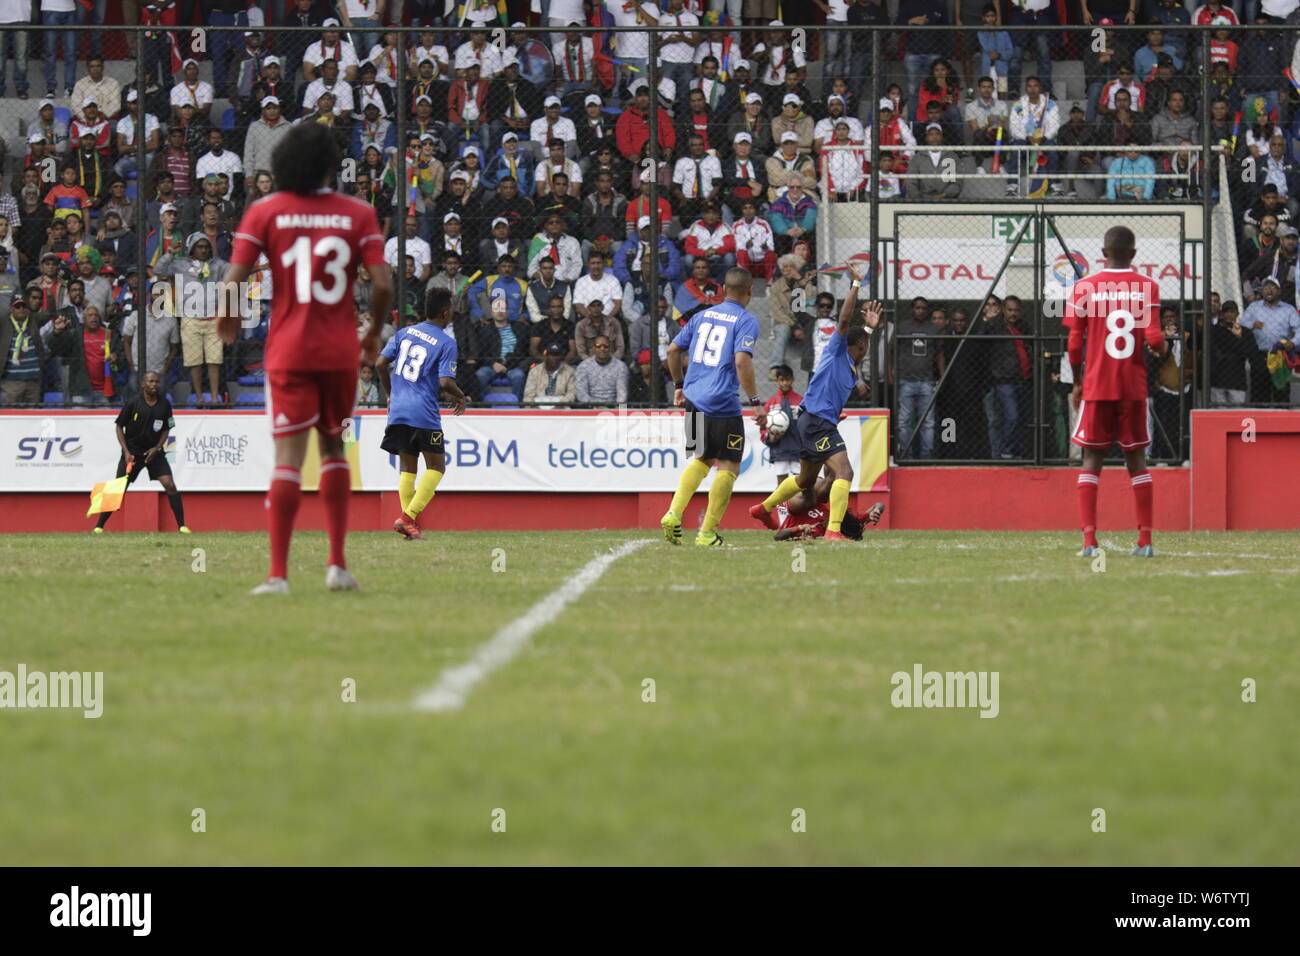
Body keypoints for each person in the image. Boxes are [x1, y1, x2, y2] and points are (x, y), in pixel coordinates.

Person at [220, 122, 393, 595]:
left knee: (288, 458)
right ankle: (337, 566)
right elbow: (381, 284)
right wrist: (373, 331)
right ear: (329, 165)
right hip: (339, 352)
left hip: (290, 350)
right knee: (335, 449)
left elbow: (234, 278)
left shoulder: (264, 211)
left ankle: (278, 575)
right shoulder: (357, 212)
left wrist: (228, 317)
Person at [751, 262, 882, 541]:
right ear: (859, 347)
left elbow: (858, 340)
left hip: (815, 421)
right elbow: (846, 323)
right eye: (866, 344)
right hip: (817, 421)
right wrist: (856, 285)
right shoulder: (836, 351)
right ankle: (834, 531)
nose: (867, 348)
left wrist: (869, 330)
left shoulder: (850, 365)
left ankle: (763, 508)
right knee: (844, 471)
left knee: (806, 481)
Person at [1065, 225, 1169, 558]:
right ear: (1134, 254)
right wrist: (1159, 349)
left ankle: (1089, 542)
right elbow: (1154, 337)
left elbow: (1073, 342)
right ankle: (1145, 540)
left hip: (1097, 386)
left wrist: (1079, 380)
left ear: (1103, 252)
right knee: (1137, 462)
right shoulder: (1147, 287)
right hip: (1131, 388)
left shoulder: (1084, 287)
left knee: (1091, 461)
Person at [660, 267, 764, 548]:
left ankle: (673, 513)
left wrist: (679, 386)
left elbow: (672, 351)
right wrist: (756, 403)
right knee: (729, 464)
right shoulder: (746, 320)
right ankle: (706, 533)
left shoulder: (700, 316)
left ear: (723, 290)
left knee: (701, 459)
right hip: (722, 404)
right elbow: (742, 361)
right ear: (749, 291)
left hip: (693, 401)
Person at [376, 286, 467, 541]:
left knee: (407, 468)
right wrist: (461, 396)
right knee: (437, 467)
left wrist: (390, 393)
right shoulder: (446, 342)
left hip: (398, 409)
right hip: (423, 412)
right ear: (446, 312)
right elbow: (446, 382)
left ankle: (409, 525)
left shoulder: (404, 332)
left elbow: (380, 363)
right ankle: (407, 517)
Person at [92, 371, 190, 534]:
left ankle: (182, 526)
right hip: (132, 454)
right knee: (118, 489)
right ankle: (99, 526)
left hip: (154, 453)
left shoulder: (165, 404)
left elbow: (167, 429)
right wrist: (125, 452)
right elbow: (119, 426)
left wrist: (157, 447)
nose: (154, 385)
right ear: (142, 384)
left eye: (157, 382)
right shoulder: (132, 403)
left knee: (169, 484)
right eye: (150, 381)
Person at [762, 364, 802, 482]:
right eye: (781, 380)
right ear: (777, 381)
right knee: (782, 483)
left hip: (798, 449)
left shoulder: (801, 401)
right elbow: (763, 427)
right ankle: (783, 502)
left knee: (800, 483)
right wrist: (770, 437)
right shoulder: (771, 403)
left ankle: (801, 501)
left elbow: (806, 425)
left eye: (787, 380)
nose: (785, 383)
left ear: (793, 380)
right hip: (779, 449)